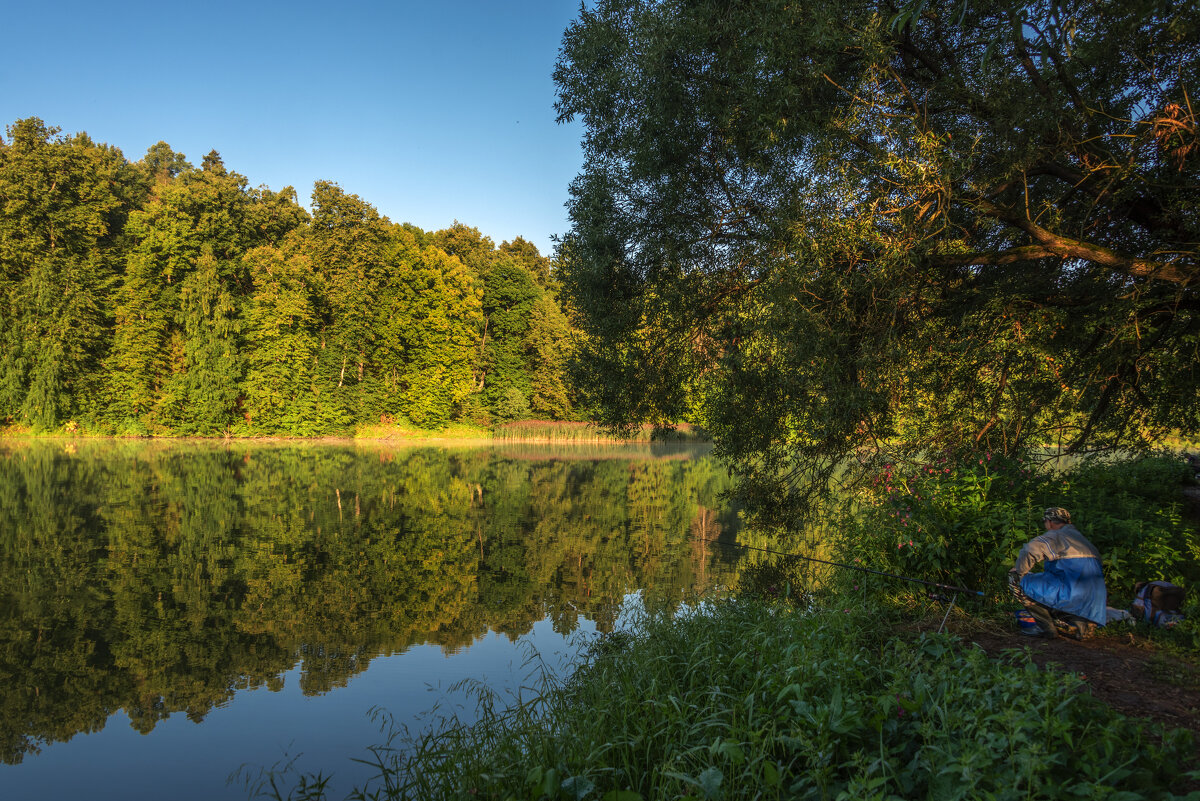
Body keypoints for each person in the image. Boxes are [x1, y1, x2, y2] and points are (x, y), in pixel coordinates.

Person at [1008, 507, 1107, 639]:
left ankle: (1046, 628)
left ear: (1049, 522)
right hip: (1095, 600)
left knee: (1016, 580)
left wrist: (1020, 570)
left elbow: (1029, 550)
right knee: (1056, 583)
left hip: (1070, 592)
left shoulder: (1056, 536)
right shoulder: (1082, 540)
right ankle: (1081, 623)